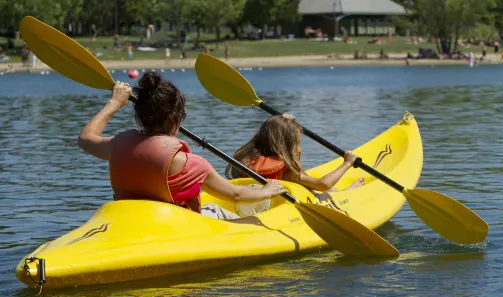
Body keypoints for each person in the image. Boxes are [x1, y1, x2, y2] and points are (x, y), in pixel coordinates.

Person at [77, 72, 288, 220]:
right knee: (236, 210)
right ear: (173, 121)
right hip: (180, 228)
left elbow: (85, 138)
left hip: (132, 222)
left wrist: (114, 103)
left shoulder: (118, 146)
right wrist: (267, 191)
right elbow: (236, 195)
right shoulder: (190, 164)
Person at [226, 114, 364, 192]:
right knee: (323, 191)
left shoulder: (244, 161)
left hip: (258, 205)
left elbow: (273, 132)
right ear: (284, 147)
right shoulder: (289, 173)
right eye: (296, 144)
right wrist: (347, 163)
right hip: (285, 209)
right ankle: (347, 192)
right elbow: (324, 184)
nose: (299, 149)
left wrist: (284, 121)